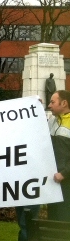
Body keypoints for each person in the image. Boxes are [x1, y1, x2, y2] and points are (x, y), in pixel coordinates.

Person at [47, 90, 70, 222]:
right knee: (53, 223)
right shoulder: (52, 121)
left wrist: (64, 173)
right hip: (53, 182)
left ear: (64, 103)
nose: (49, 105)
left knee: (64, 225)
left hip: (66, 183)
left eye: (52, 102)